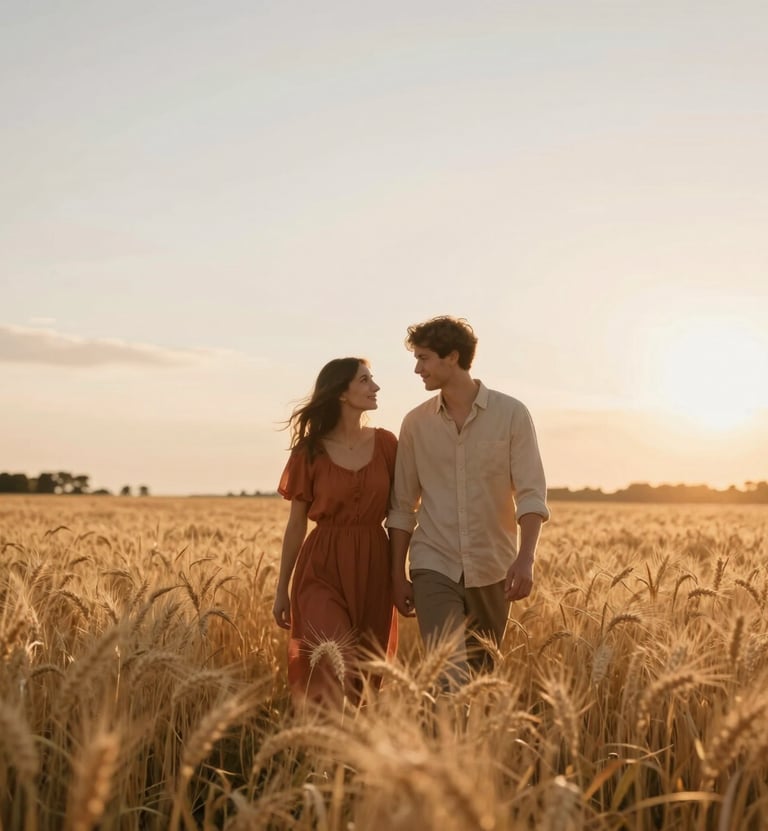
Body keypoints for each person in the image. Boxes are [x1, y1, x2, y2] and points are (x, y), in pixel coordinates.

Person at [387, 316, 549, 686]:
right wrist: (398, 574)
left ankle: (467, 743)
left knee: (481, 679)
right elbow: (401, 506)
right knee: (448, 677)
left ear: (452, 357)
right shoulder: (415, 424)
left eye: (424, 358)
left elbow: (530, 493)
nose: (417, 369)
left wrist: (526, 559)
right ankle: (444, 740)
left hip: (494, 567)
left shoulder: (511, 414)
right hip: (433, 564)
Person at [273, 357, 398, 707]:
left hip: (375, 563)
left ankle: (351, 753)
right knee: (329, 655)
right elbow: (296, 524)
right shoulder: (309, 451)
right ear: (342, 393)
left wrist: (401, 574)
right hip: (322, 565)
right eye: (365, 380)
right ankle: (322, 745)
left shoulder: (388, 445)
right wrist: (281, 588)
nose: (375, 387)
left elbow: (403, 511)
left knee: (364, 670)